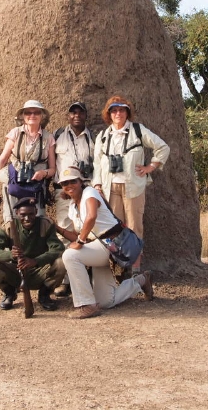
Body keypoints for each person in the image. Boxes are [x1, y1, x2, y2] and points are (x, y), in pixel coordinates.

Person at [55, 166, 153, 319]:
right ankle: (141, 280)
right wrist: (57, 228)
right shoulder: (72, 207)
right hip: (97, 249)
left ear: (81, 181)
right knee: (106, 301)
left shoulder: (90, 192)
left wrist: (80, 241)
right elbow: (77, 236)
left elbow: (91, 216)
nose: (69, 185)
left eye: (73, 181)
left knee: (70, 255)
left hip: (112, 244)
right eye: (65, 183)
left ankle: (86, 305)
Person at [92, 95, 169, 274]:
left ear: (127, 112)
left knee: (134, 227)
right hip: (110, 188)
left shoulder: (138, 131)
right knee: (114, 230)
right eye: (114, 110)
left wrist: (151, 167)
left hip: (133, 187)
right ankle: (118, 269)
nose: (118, 113)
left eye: (122, 110)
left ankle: (135, 269)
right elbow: (97, 163)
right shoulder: (103, 136)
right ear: (109, 114)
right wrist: (97, 186)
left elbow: (163, 147)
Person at [0, 198, 66, 311]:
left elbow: (58, 249)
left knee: (62, 263)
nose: (27, 218)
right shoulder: (9, 227)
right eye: (23, 215)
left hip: (40, 270)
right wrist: (11, 255)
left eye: (31, 214)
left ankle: (44, 294)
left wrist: (36, 261)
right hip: (16, 271)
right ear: (17, 213)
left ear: (36, 212)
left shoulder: (45, 224)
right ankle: (9, 292)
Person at [52, 101, 94, 298]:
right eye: (73, 112)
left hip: (85, 190)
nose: (76, 115)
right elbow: (50, 162)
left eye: (80, 112)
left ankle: (89, 276)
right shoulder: (58, 135)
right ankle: (66, 280)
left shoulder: (94, 138)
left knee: (89, 231)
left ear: (86, 115)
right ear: (68, 116)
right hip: (64, 191)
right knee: (64, 231)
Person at [0, 100, 57, 222]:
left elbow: (53, 169)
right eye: (28, 112)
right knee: (11, 220)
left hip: (36, 186)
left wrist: (43, 173)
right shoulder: (15, 133)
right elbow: (2, 160)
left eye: (36, 112)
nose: (32, 115)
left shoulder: (48, 137)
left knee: (38, 220)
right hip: (14, 183)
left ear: (42, 115)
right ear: (23, 116)